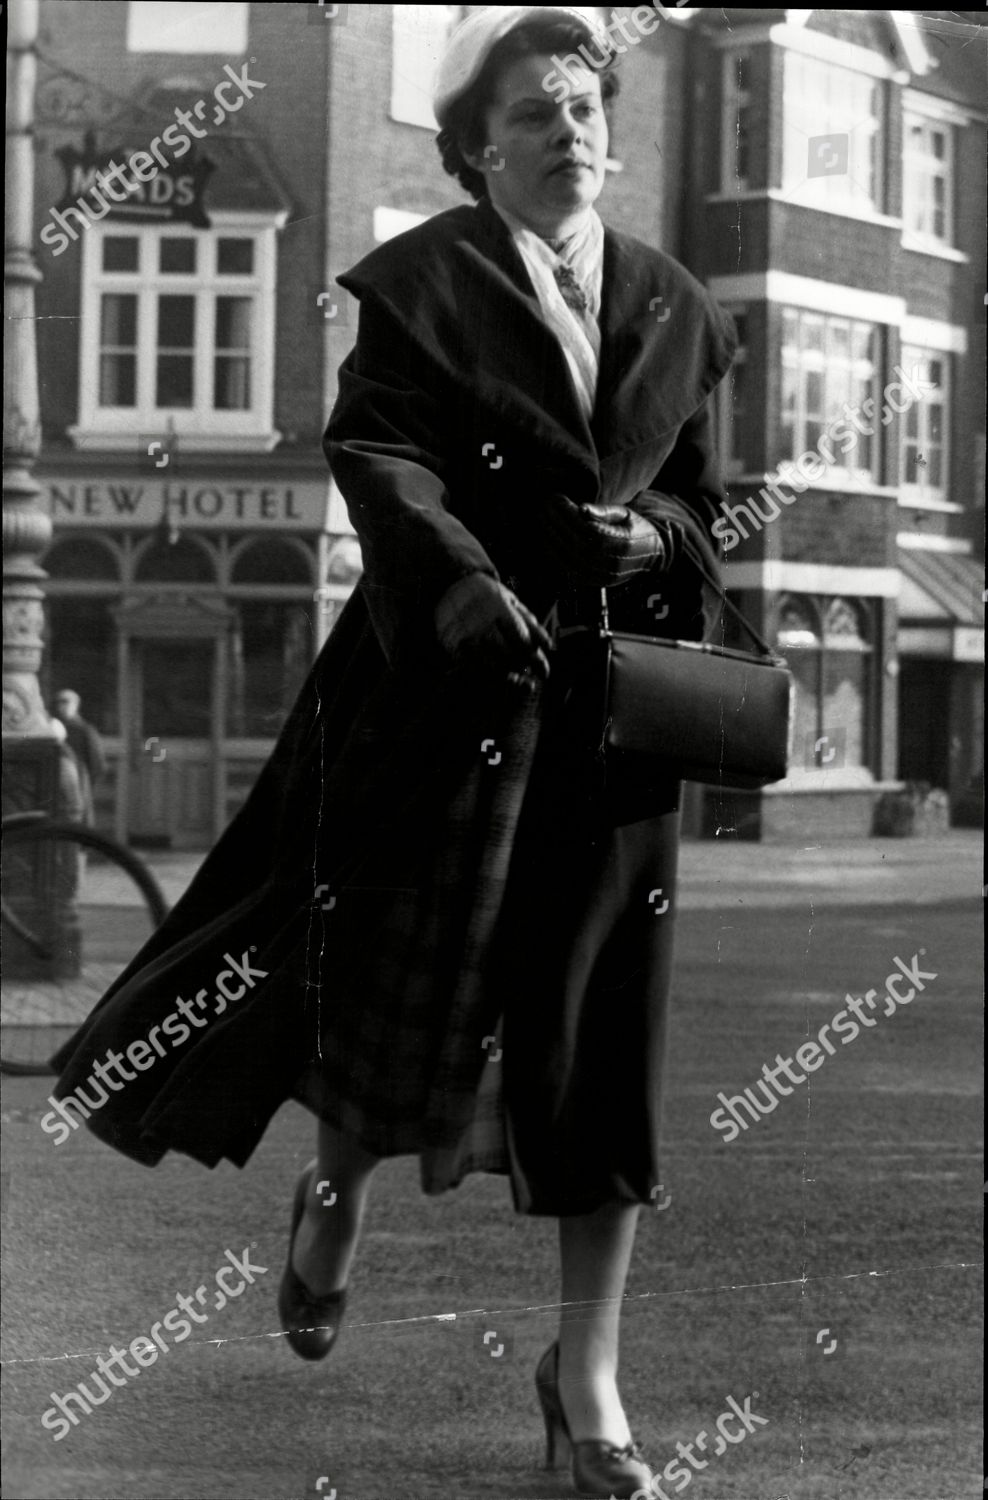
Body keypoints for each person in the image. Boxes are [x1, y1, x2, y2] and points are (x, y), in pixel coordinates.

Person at [51, 9, 736, 1495]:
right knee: (391, 999)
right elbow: (377, 455)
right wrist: (466, 582)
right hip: (443, 685)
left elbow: (707, 504)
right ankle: (335, 1196)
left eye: (583, 106)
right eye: (534, 114)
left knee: (602, 1044)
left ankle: (589, 1383)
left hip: (606, 723)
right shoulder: (422, 287)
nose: (568, 131)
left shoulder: (678, 305)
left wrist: (657, 536)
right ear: (477, 150)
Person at [53, 689, 107, 826]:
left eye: (65, 702)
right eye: (58, 702)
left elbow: (97, 763)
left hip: (80, 779)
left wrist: (87, 781)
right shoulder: (54, 728)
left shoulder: (85, 730)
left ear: (76, 704)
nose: (61, 706)